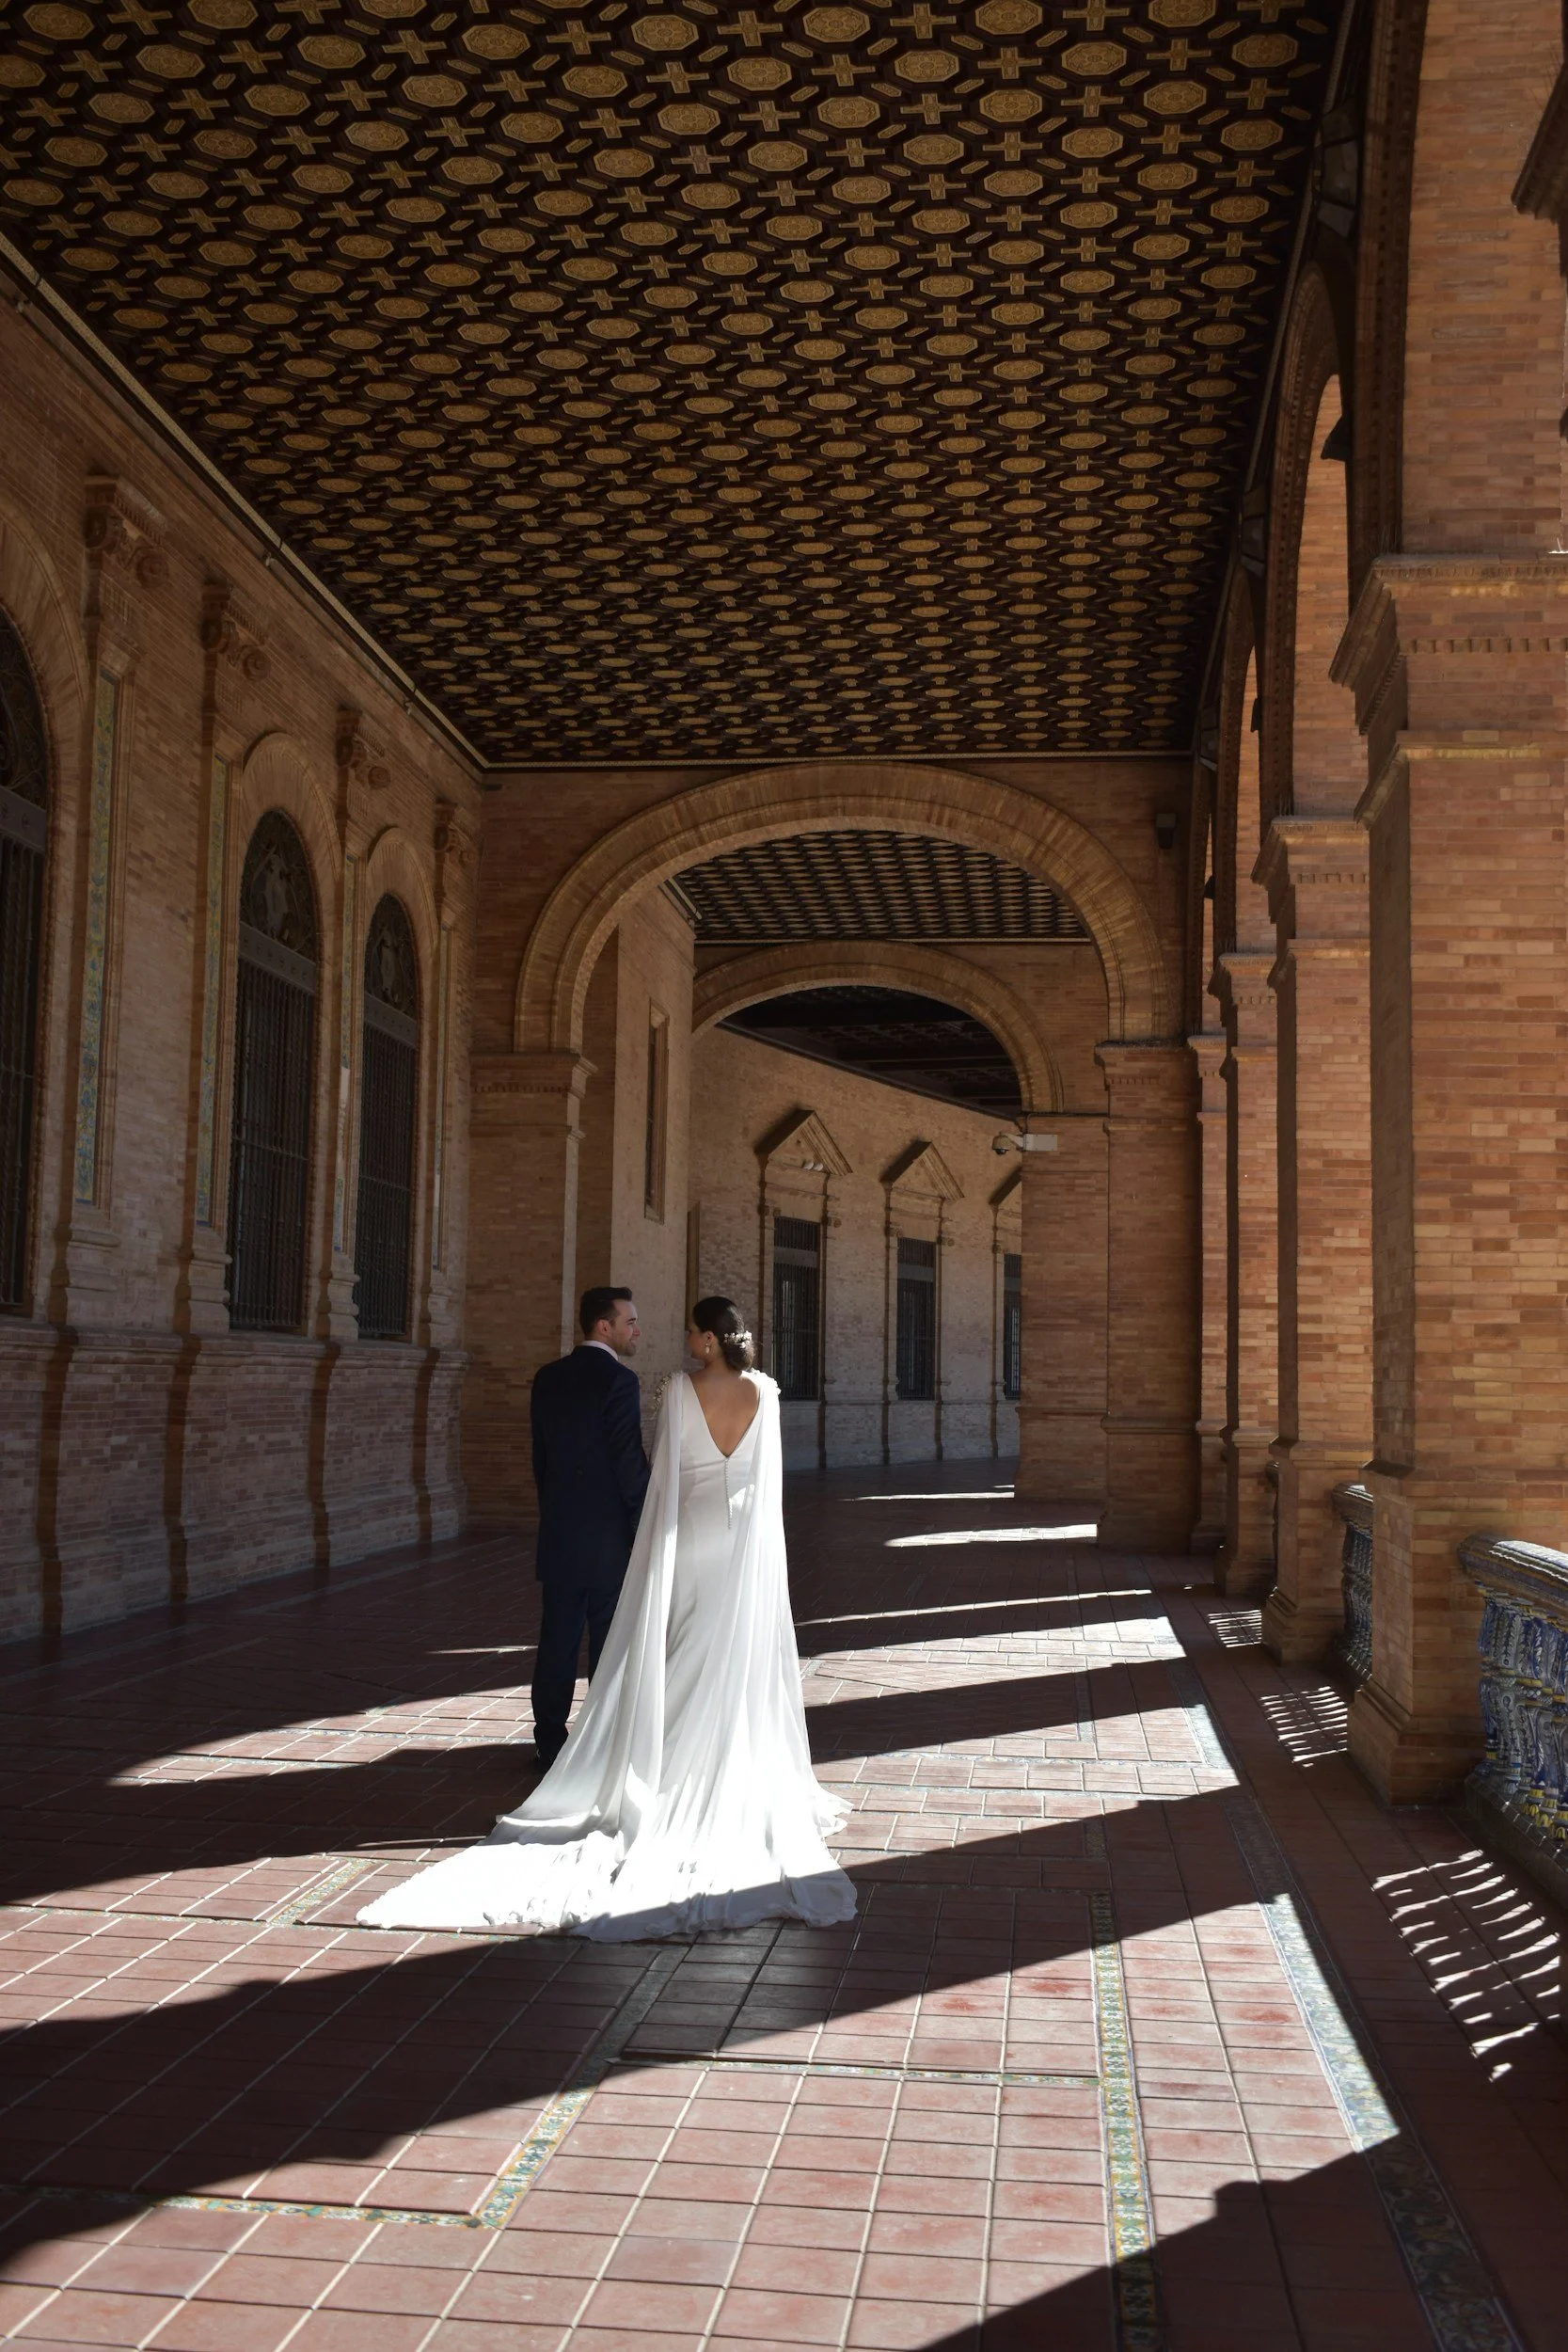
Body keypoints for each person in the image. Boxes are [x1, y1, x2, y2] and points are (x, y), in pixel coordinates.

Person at [359, 1296, 855, 1940]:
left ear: (706, 1339)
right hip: (742, 1543)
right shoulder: (764, 1390)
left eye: (688, 1331)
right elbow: (768, 1486)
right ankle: (728, 1762)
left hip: (692, 1531)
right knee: (732, 1649)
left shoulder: (679, 1390)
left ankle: (663, 1758)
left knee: (679, 1643)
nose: (674, 1337)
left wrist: (653, 1545)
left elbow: (663, 1479)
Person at [527, 1285, 650, 1770]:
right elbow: (627, 1461)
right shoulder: (620, 1381)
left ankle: (549, 1739)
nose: (636, 1329)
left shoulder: (547, 1377)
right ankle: (598, 1740)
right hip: (606, 1535)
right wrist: (646, 1520)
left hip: (560, 1529)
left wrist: (556, 1509)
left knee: (557, 1635)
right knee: (606, 1637)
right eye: (630, 1322)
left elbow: (541, 1458)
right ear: (605, 1326)